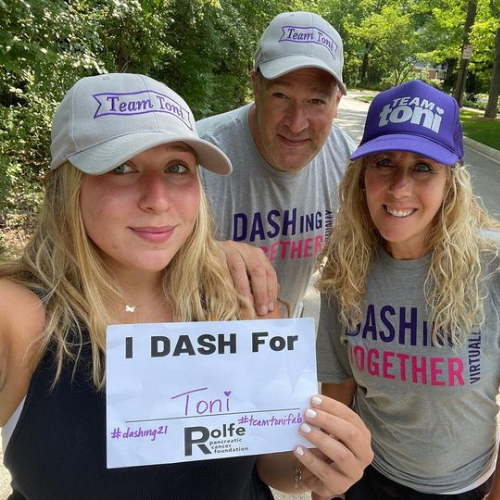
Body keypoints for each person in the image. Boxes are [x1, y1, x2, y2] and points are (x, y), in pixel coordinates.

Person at [0, 73, 372, 499]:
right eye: (121, 167)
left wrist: (318, 470)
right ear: (66, 185)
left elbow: (274, 465)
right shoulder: (19, 318)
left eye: (177, 168)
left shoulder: (238, 300)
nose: (158, 199)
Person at [316, 79, 500, 499]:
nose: (399, 188)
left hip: (464, 487)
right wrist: (327, 489)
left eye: (423, 167)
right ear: (362, 177)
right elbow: (339, 389)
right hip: (368, 477)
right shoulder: (346, 269)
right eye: (384, 162)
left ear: (450, 182)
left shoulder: (492, 268)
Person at [197, 11, 355, 317]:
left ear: (336, 103)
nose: (296, 124)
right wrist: (204, 256)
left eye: (316, 101)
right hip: (198, 336)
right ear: (256, 87)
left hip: (283, 338)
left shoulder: (346, 161)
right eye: (281, 95)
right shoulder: (199, 157)